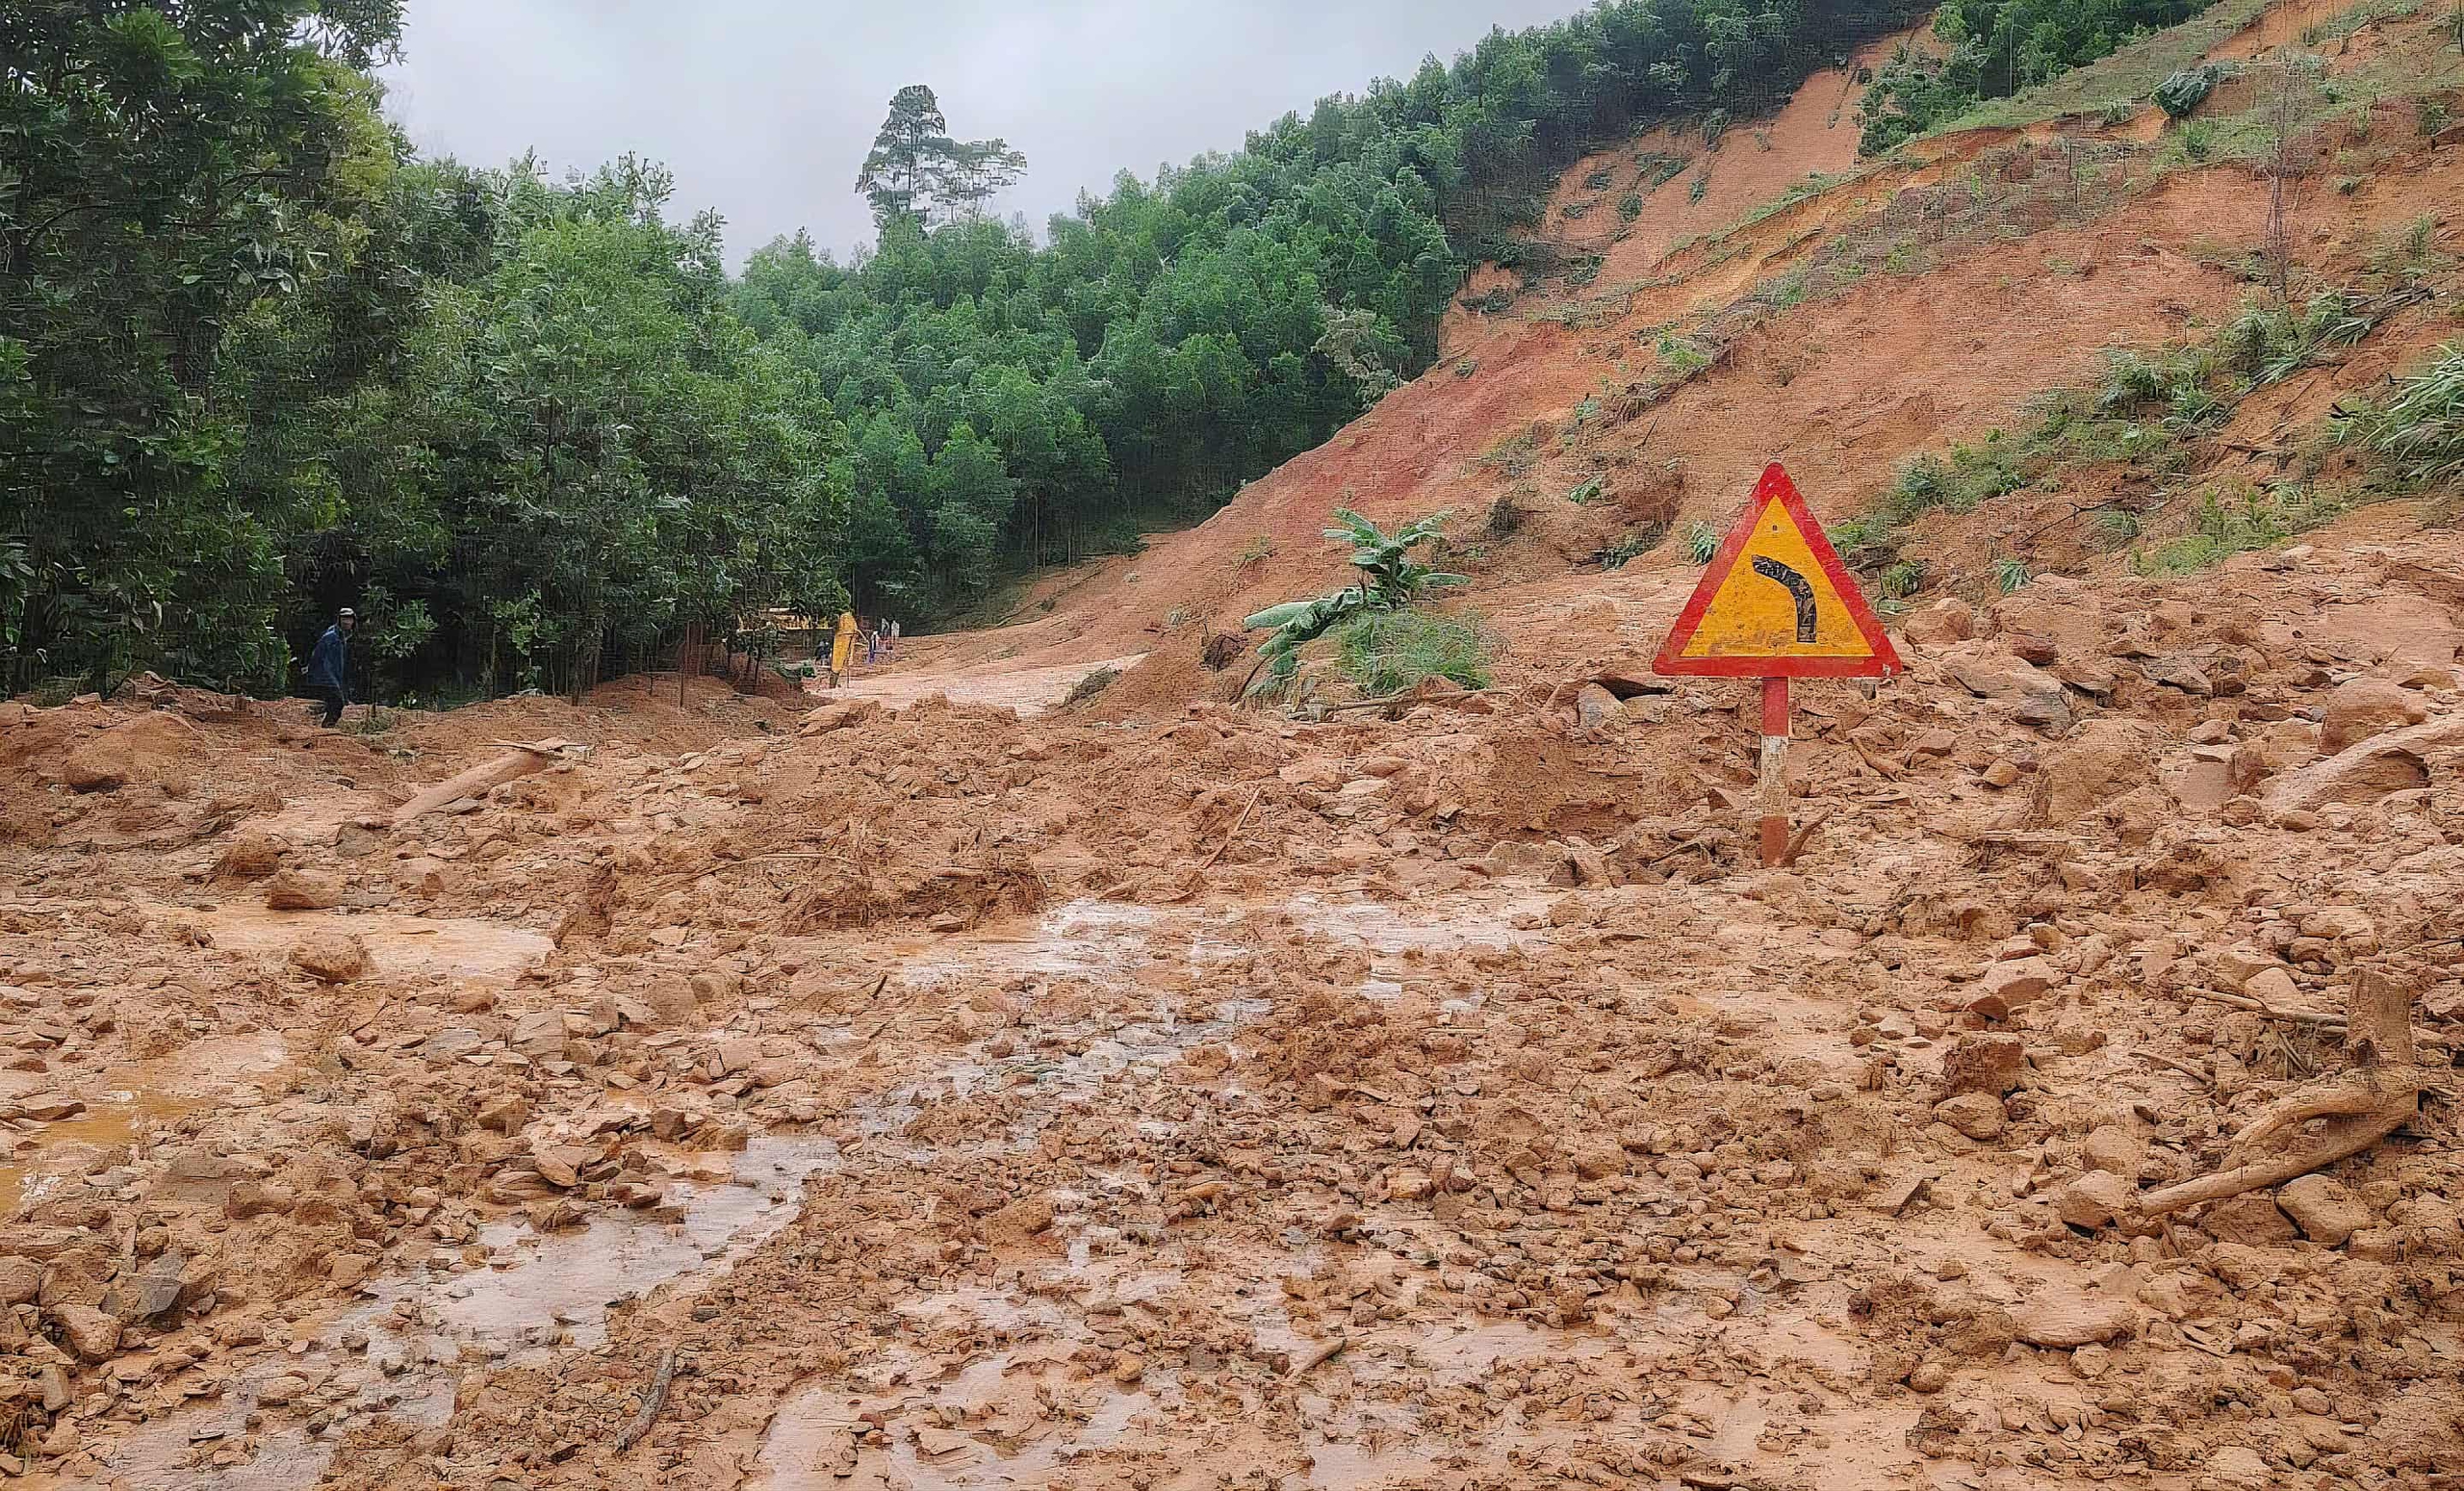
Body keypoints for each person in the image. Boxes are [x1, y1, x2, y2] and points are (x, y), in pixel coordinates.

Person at [307, 607, 356, 727]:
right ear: (339, 620)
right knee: (337, 704)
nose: (347, 622)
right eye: (344, 618)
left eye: (349, 619)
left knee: (336, 704)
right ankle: (326, 729)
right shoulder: (331, 636)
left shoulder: (341, 636)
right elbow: (318, 656)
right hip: (326, 677)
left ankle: (324, 725)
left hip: (332, 676)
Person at [830, 609, 860, 688]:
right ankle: (833, 684)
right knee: (836, 664)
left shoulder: (847, 618)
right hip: (842, 638)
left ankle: (833, 684)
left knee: (837, 664)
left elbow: (854, 634)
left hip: (844, 637)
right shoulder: (846, 618)